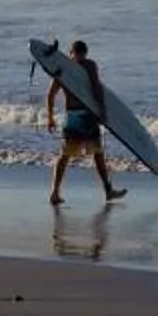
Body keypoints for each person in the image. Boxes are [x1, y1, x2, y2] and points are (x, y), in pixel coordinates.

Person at [46, 37, 128, 206]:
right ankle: (55, 192)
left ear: (85, 54)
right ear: (71, 54)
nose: (79, 60)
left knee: (97, 154)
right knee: (65, 155)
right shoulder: (65, 68)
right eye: (77, 56)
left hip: (87, 115)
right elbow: (51, 94)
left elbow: (96, 88)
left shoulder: (86, 66)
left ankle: (108, 191)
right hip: (75, 117)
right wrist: (50, 117)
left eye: (81, 57)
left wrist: (102, 110)